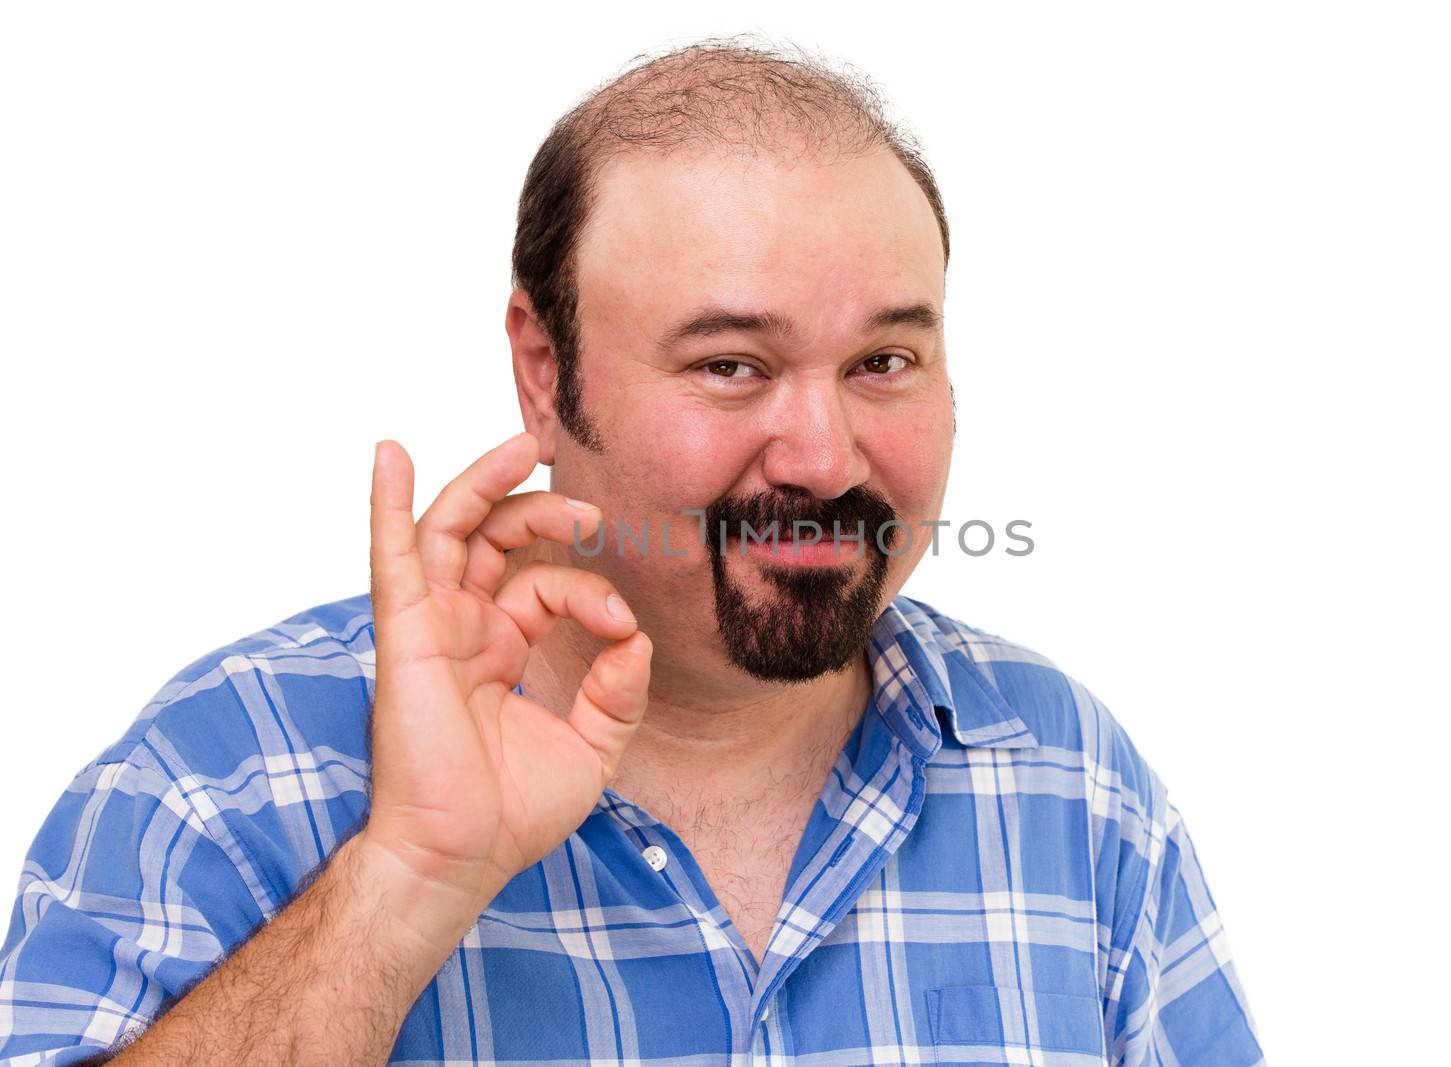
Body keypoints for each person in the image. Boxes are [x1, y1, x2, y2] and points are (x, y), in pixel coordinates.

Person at [0, 36, 1264, 1067]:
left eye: (883, 362)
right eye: (731, 365)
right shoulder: (228, 777)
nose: (822, 457)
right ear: (545, 373)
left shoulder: (1069, 782)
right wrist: (398, 882)